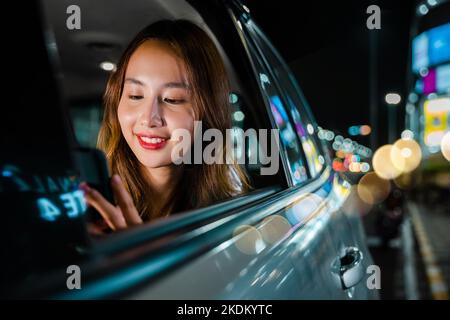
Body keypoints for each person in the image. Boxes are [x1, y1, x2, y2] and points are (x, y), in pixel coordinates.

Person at [80, 20, 251, 232]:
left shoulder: (231, 216)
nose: (150, 118)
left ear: (209, 112)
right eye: (135, 95)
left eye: (173, 99)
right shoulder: (85, 202)